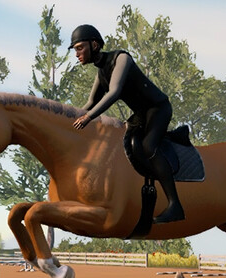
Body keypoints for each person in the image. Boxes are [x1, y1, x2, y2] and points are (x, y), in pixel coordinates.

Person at [68, 24, 185, 224]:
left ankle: (175, 205)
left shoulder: (121, 59)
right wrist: (67, 119)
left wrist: (88, 118)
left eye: (79, 48)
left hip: (158, 109)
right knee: (123, 144)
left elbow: (114, 92)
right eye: (76, 49)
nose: (77, 53)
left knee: (148, 146)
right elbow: (90, 103)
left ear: (94, 44)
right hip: (141, 113)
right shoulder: (101, 73)